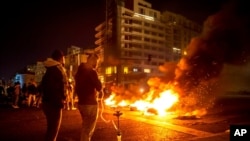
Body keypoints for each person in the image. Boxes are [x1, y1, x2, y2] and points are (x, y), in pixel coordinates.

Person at [41, 49, 68, 141]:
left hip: (47, 102)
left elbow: (43, 86)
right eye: (64, 57)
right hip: (54, 104)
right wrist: (60, 102)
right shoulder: (57, 70)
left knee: (50, 129)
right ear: (61, 58)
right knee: (53, 130)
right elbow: (54, 88)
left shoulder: (50, 69)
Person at [74, 54, 102, 141]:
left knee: (85, 126)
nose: (96, 64)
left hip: (81, 103)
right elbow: (99, 87)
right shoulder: (91, 72)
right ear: (92, 60)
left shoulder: (79, 72)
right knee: (88, 129)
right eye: (96, 61)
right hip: (90, 104)